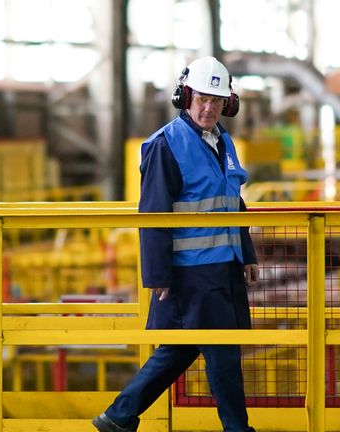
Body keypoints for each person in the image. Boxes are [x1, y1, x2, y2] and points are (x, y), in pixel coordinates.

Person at [92, 56, 259, 432]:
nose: (208, 107)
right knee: (222, 354)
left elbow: (232, 201)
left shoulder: (224, 143)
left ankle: (118, 417)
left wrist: (245, 252)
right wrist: (157, 277)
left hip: (223, 268)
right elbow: (152, 217)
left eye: (217, 101)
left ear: (227, 104)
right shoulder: (165, 146)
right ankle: (238, 429)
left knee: (181, 349)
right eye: (201, 98)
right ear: (184, 96)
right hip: (192, 274)